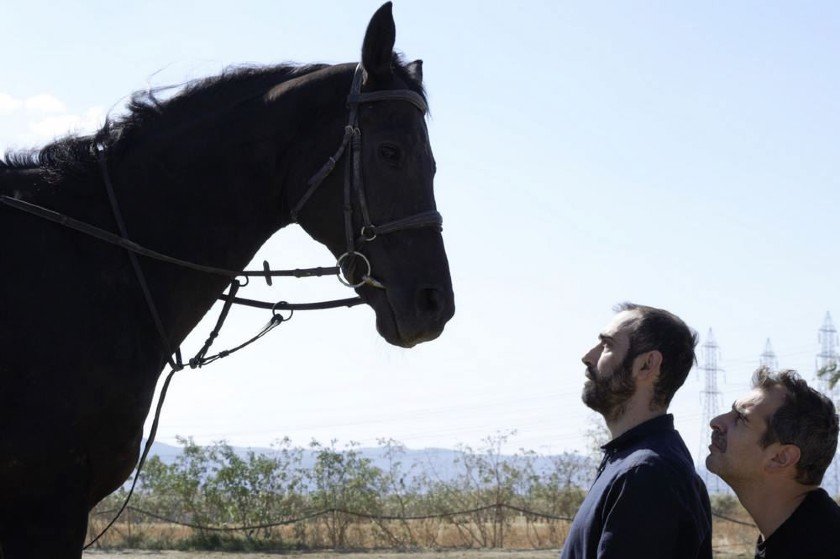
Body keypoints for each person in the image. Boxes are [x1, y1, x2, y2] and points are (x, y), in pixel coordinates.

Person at [561, 303, 712, 559]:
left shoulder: (647, 473)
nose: (588, 356)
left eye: (607, 345)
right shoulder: (633, 463)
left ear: (647, 364)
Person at [707, 368, 840, 558]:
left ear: (780, 458)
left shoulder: (820, 548)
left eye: (741, 418)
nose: (716, 422)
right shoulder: (796, 535)